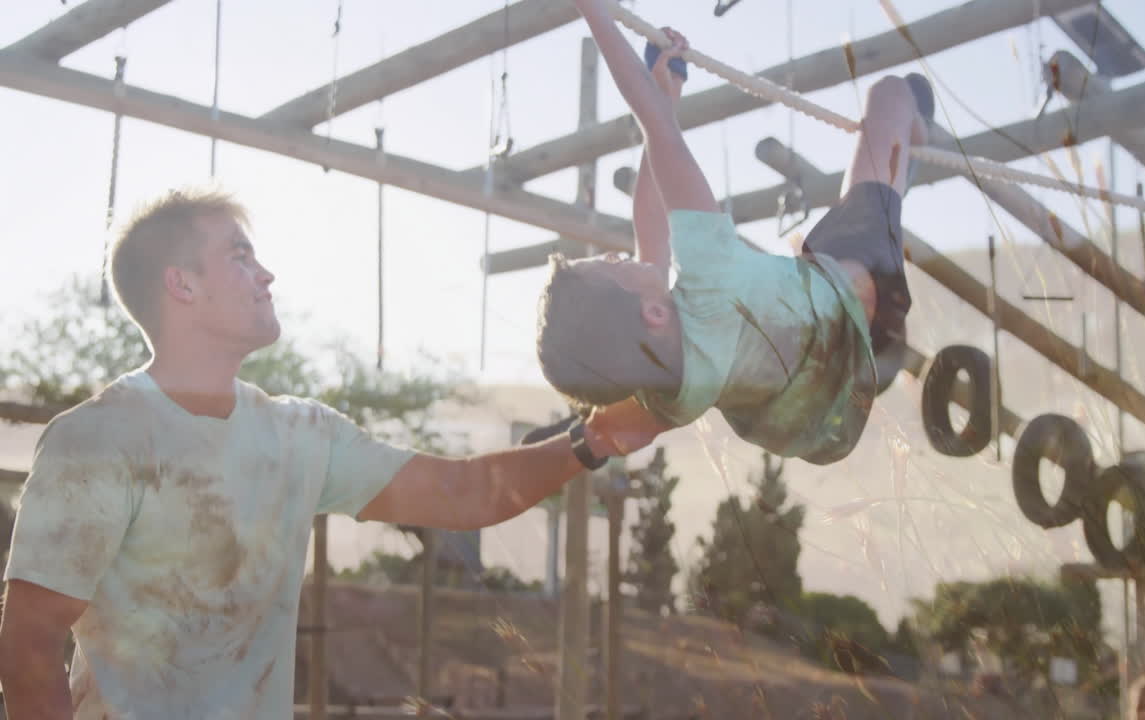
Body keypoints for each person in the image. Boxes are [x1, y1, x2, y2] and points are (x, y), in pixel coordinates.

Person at [0, 189, 649, 719]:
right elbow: (29, 649)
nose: (266, 274)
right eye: (240, 256)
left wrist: (595, 437)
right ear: (183, 285)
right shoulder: (98, 438)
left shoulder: (300, 434)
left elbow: (466, 495)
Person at [537, 0, 933, 465]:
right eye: (613, 263)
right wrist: (595, 14)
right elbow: (659, 131)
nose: (619, 256)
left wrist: (667, 94)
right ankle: (913, 134)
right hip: (868, 301)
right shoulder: (711, 280)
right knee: (892, 93)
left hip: (841, 393)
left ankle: (895, 174)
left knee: (823, 253)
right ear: (653, 313)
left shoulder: (665, 388)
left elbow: (651, 232)